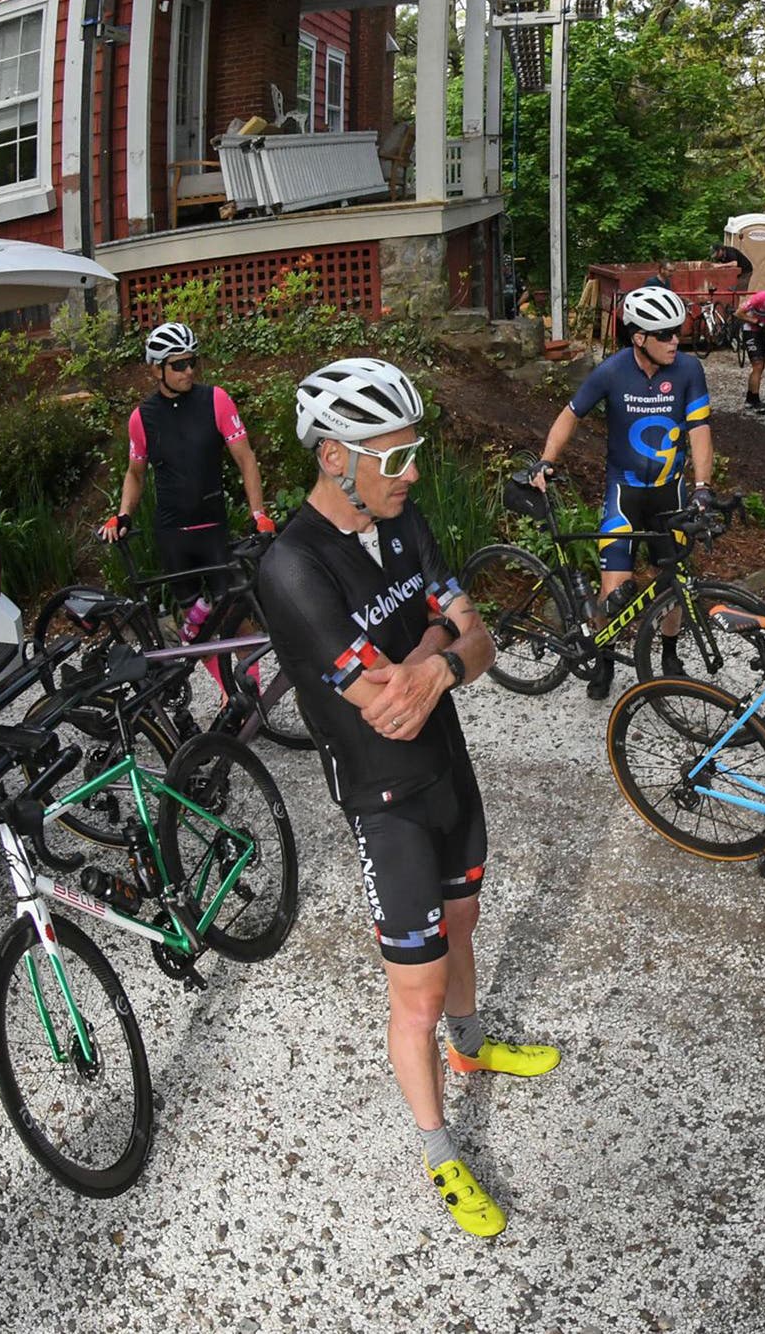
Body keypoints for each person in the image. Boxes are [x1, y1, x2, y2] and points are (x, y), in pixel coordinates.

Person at [255, 358, 558, 1240]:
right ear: (335, 457)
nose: (414, 472)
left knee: (465, 921)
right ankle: (438, 1150)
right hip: (384, 798)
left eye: (413, 452)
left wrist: (435, 659)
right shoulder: (291, 567)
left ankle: (472, 1047)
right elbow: (386, 704)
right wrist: (438, 644)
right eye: (395, 458)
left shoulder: (404, 519)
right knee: (416, 993)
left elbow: (483, 639)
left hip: (449, 769)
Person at [532, 285, 716, 700]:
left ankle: (669, 654)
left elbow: (700, 430)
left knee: (673, 586)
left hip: (670, 495)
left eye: (677, 331)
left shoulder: (688, 371)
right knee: (613, 590)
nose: (675, 340)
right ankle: (604, 660)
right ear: (639, 337)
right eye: (665, 334)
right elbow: (570, 414)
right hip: (624, 496)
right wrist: (546, 459)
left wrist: (703, 487)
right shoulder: (612, 371)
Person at [101, 322, 276, 626]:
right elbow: (135, 474)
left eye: (192, 362)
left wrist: (258, 512)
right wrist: (124, 514)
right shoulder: (142, 417)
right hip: (172, 536)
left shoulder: (216, 400)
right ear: (157, 370)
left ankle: (241, 661)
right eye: (179, 365)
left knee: (238, 623)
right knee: (195, 627)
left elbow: (246, 459)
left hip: (213, 529)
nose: (189, 371)